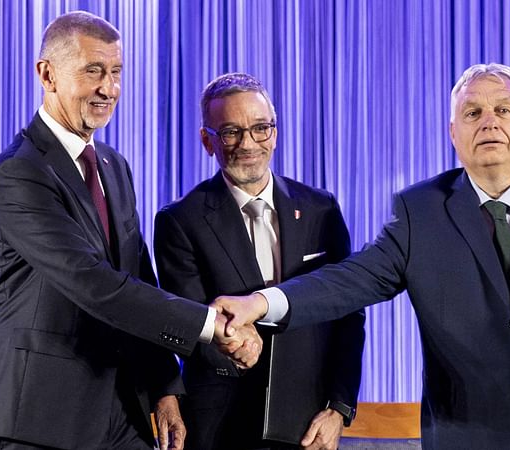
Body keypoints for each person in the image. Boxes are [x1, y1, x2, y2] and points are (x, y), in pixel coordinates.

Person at [213, 63, 510, 449]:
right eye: (472, 113)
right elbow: (347, 280)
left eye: (503, 110)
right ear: (452, 134)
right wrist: (260, 303)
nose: (489, 122)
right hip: (468, 433)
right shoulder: (419, 212)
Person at [0, 11, 260, 450]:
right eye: (93, 72)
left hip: (121, 409)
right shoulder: (20, 172)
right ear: (47, 75)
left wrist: (165, 387)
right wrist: (209, 324)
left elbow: (137, 276)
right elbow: (94, 283)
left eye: (116, 72)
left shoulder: (113, 165)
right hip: (36, 417)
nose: (109, 89)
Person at [153, 73, 365, 450]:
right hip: (221, 425)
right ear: (207, 140)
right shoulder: (179, 221)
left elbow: (349, 313)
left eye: (260, 128)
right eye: (231, 131)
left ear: (275, 131)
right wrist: (233, 342)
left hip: (308, 424)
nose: (248, 144)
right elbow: (187, 322)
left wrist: (339, 407)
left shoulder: (321, 209)